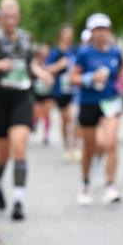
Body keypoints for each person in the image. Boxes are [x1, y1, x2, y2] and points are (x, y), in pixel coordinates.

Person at [0, 0, 54, 221]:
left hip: (21, 97)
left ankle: (18, 201)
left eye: (13, 15)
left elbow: (30, 65)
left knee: (19, 146)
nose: (10, 19)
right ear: (1, 18)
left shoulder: (26, 38)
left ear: (18, 16)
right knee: (3, 152)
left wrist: (42, 74)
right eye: (6, 16)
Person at [71, 13, 123, 206]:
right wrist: (90, 78)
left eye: (104, 29)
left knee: (110, 143)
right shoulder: (84, 53)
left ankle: (110, 185)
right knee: (90, 147)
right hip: (89, 102)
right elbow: (73, 78)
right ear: (91, 33)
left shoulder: (115, 52)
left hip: (110, 102)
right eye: (97, 30)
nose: (102, 34)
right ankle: (85, 183)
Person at [46, 25, 79, 161]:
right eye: (65, 34)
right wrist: (60, 65)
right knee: (65, 120)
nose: (68, 37)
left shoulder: (75, 51)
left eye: (70, 35)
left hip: (74, 89)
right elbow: (47, 69)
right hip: (60, 90)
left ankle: (75, 147)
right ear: (60, 36)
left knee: (73, 118)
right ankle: (67, 147)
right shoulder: (55, 52)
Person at [32, 43, 54, 145]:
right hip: (36, 92)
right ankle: (34, 122)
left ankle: (46, 134)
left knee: (47, 114)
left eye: (46, 52)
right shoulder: (34, 63)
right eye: (42, 52)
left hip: (48, 93)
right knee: (37, 112)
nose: (44, 54)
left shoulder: (51, 62)